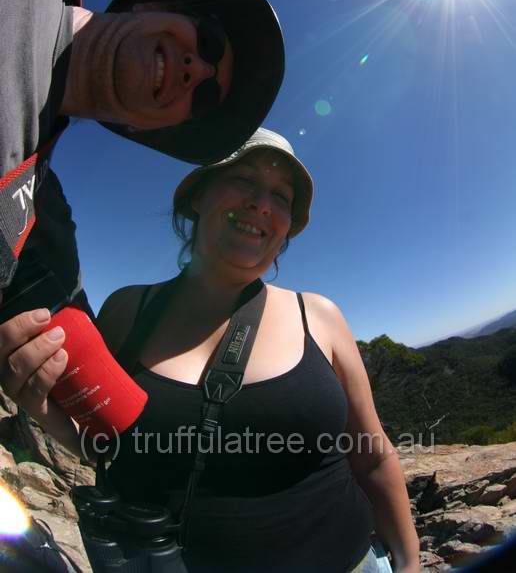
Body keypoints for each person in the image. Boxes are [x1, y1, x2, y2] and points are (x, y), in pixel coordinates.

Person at [1, 128, 421, 572]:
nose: (263, 203)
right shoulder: (127, 311)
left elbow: (373, 456)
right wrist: (49, 412)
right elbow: (112, 447)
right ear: (200, 195)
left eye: (282, 195)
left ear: (286, 228)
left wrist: (410, 561)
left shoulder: (318, 316)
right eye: (244, 179)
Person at [0, 0, 285, 324]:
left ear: (144, 129)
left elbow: (76, 351)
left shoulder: (35, 221)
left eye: (204, 96)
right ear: (153, 5)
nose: (197, 70)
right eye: (210, 40)